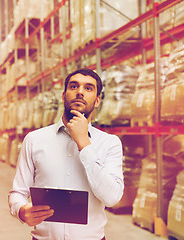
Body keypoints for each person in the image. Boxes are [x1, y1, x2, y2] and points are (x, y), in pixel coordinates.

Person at [8, 68, 124, 240]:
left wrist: (84, 143)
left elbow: (112, 197)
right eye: (74, 86)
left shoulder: (109, 143)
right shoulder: (34, 140)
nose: (80, 92)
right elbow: (17, 192)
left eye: (88, 88)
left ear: (97, 100)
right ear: (64, 95)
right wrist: (22, 211)